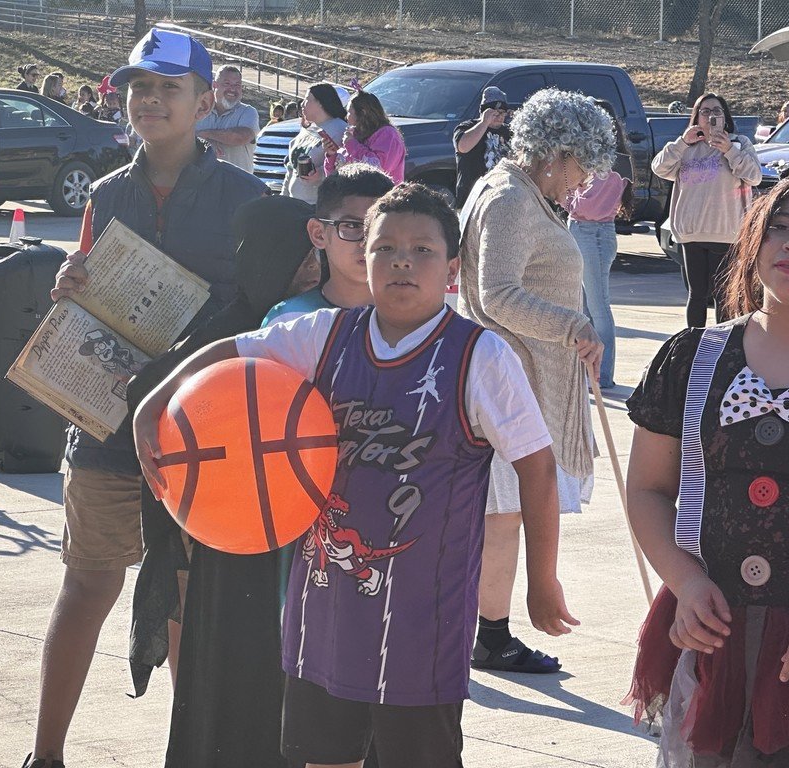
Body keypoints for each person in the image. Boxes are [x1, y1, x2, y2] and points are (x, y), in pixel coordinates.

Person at [134, 182, 575, 768]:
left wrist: (540, 580)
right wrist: (156, 403)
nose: (401, 261)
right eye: (384, 247)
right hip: (323, 613)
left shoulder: (480, 357)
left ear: (453, 268)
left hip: (423, 621)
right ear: (359, 259)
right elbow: (233, 351)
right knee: (324, 758)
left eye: (422, 250)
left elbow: (537, 468)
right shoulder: (325, 337)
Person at [20, 28, 266, 768]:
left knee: (189, 598)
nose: (151, 100)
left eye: (168, 88)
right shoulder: (106, 191)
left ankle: (195, 755)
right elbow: (86, 289)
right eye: (139, 87)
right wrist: (68, 285)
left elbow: (264, 312)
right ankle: (46, 756)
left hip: (203, 431)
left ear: (204, 101)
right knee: (88, 585)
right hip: (105, 426)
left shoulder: (247, 197)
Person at [623, 144, 789, 767]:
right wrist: (684, 581)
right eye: (782, 227)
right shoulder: (692, 356)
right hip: (710, 628)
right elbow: (649, 489)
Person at [126, 195, 321, 768]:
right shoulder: (234, 331)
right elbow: (155, 395)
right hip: (209, 525)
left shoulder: (299, 329)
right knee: (211, 673)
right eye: (300, 259)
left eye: (317, 260)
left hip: (271, 528)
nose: (312, 271)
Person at [458, 88, 616, 674]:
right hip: (510, 380)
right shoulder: (510, 199)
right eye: (580, 167)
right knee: (503, 513)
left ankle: (485, 628)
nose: (582, 182)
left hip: (519, 374)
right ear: (554, 152)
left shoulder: (521, 193)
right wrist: (571, 324)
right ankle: (490, 634)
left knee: (506, 513)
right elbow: (497, 293)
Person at [652, 92, 762, 328]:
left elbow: (754, 176)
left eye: (717, 112)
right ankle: (693, 344)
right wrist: (683, 142)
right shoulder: (686, 147)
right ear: (696, 118)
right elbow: (659, 168)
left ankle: (722, 347)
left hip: (726, 232)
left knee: (724, 296)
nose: (711, 116)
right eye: (705, 111)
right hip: (691, 233)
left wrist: (729, 150)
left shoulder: (739, 143)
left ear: (725, 117)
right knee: (697, 293)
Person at [264, 162, 393, 327]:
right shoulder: (288, 320)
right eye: (352, 226)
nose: (368, 243)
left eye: (381, 228)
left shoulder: (419, 317)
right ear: (318, 233)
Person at [566, 99, 635, 390]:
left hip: (592, 232)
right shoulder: (595, 157)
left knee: (598, 305)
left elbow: (589, 206)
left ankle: (602, 374)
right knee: (585, 307)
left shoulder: (614, 161)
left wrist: (565, 195)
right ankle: (589, 371)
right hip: (584, 232)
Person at [282, 82, 348, 204]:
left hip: (319, 207)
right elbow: (292, 169)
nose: (302, 104)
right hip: (294, 203)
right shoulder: (309, 128)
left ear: (321, 103)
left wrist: (321, 175)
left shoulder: (340, 130)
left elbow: (347, 166)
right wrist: (283, 198)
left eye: (307, 99)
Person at [324, 90, 406, 183]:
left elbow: (378, 170)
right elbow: (333, 179)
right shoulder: (354, 134)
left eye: (349, 112)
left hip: (379, 196)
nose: (346, 117)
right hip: (350, 195)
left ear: (363, 112)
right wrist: (331, 155)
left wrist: (352, 144)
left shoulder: (388, 135)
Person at [453, 86, 513, 209]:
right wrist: (484, 122)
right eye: (495, 113)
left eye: (503, 112)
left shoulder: (510, 132)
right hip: (472, 199)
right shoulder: (467, 127)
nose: (499, 116)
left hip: (502, 197)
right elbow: (463, 147)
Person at [194, 65, 260, 173]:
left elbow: (241, 137)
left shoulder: (248, 112)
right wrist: (206, 141)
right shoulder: (197, 111)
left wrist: (204, 135)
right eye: (227, 84)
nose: (232, 89)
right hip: (201, 184)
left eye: (237, 85)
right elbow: (183, 139)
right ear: (214, 85)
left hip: (237, 185)